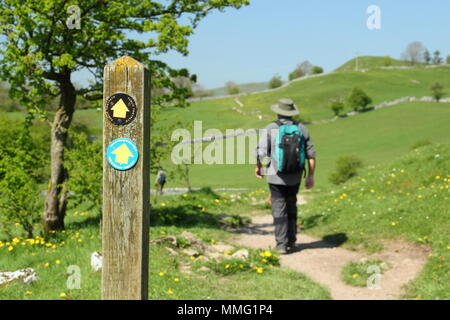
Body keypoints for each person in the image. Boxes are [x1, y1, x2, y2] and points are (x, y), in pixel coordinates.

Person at [255, 98, 316, 254]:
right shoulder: (301, 128)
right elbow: (311, 155)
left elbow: (261, 152)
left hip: (276, 176)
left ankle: (281, 245)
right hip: (295, 176)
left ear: (278, 112)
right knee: (291, 205)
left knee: (278, 207)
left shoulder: (271, 128)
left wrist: (259, 168)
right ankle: (292, 241)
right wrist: (310, 176)